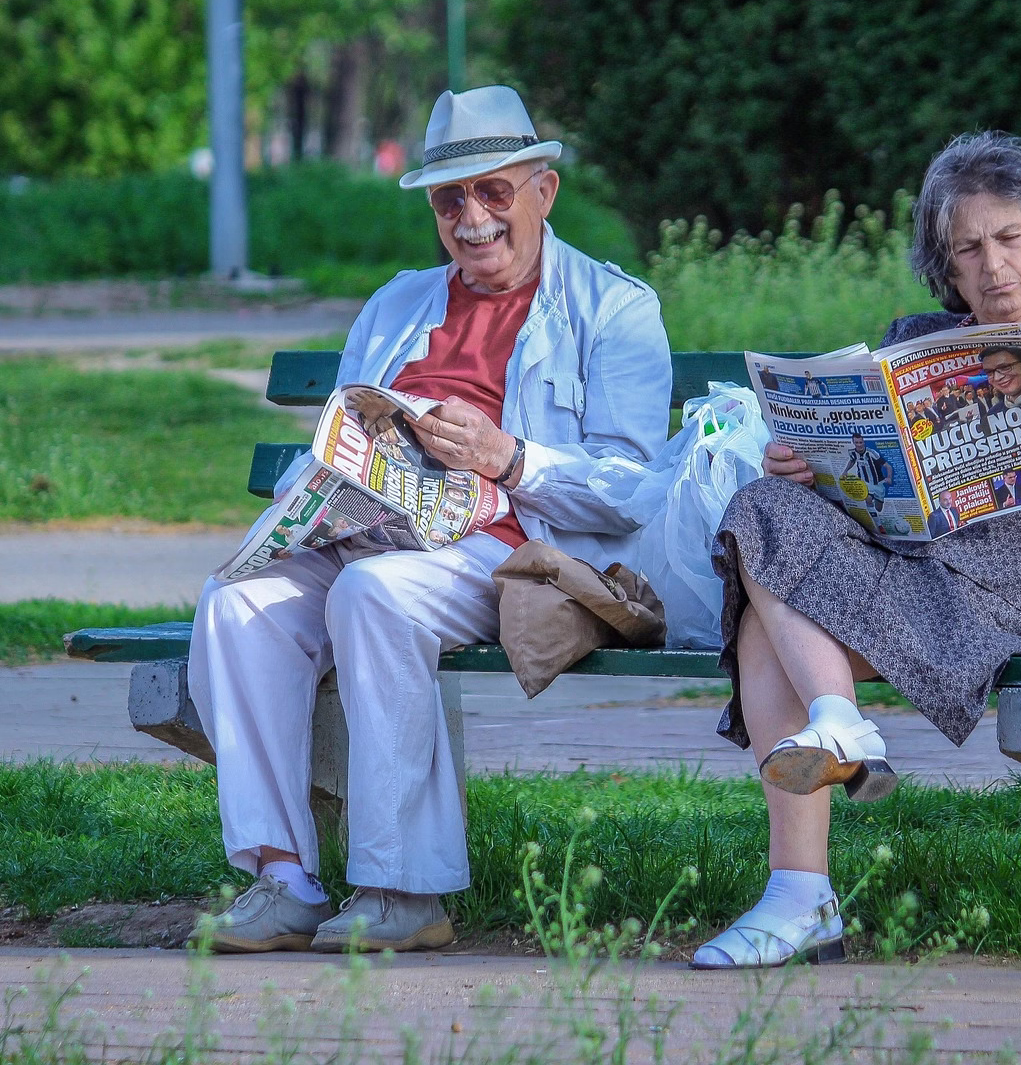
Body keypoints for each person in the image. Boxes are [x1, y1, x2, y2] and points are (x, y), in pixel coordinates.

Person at [187, 85, 672, 955]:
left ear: (543, 192)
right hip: (376, 532)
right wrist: (322, 490)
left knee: (377, 595)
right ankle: (284, 877)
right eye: (451, 199)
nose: (473, 217)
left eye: (496, 191)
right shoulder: (396, 304)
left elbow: (633, 490)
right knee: (237, 602)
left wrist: (508, 457)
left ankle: (404, 890)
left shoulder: (614, 308)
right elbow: (340, 430)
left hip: (513, 550)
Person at [692, 131, 1021, 969]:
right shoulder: (919, 340)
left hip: (1008, 602)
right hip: (903, 569)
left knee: (763, 625)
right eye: (967, 250)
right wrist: (812, 468)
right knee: (762, 505)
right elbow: (868, 485)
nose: (993, 266)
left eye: (1009, 238)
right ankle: (837, 732)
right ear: (947, 271)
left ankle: (800, 890)